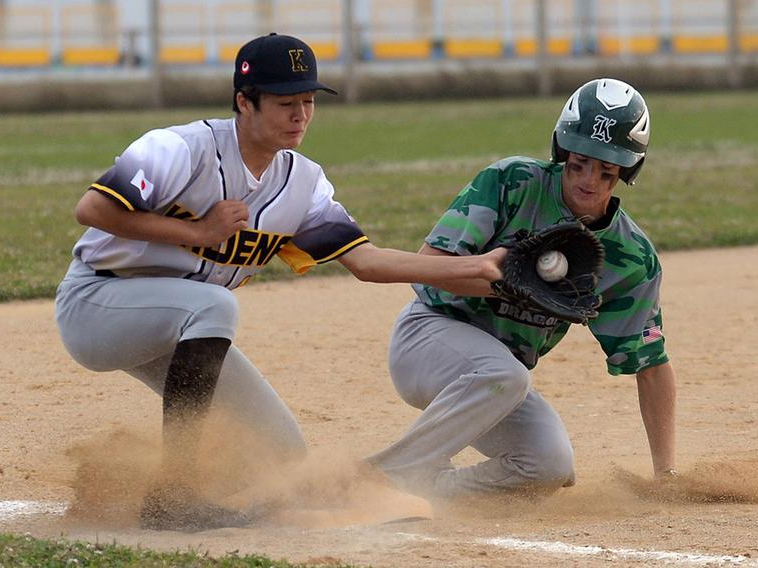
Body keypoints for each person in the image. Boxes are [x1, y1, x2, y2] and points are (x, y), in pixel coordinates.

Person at [53, 32, 504, 532]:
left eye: (309, 102)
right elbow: (92, 209)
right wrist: (196, 232)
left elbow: (367, 262)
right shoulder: (177, 148)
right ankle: (173, 493)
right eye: (286, 102)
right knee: (214, 307)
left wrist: (477, 268)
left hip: (178, 327)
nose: (300, 116)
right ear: (244, 103)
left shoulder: (303, 183)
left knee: (281, 454)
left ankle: (175, 494)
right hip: (97, 305)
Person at [366, 78, 677, 499]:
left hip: (496, 384)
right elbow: (427, 266)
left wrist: (666, 475)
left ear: (628, 171)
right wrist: (502, 285)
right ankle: (380, 476)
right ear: (561, 150)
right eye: (579, 162)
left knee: (549, 466)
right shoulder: (513, 181)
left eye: (607, 171)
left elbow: (652, 366)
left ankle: (427, 491)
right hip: (429, 338)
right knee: (506, 374)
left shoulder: (630, 257)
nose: (589, 180)